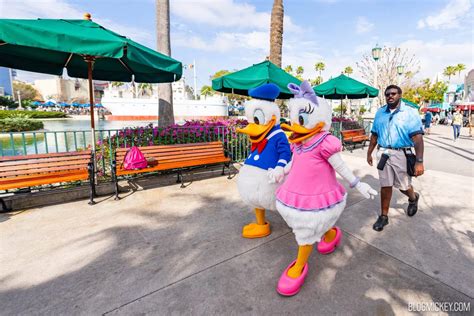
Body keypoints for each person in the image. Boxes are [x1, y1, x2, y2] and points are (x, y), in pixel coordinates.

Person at [367, 85, 424, 231]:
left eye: (393, 93)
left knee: (403, 186)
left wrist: (419, 162)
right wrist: (369, 152)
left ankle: (413, 198)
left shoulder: (410, 112)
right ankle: (384, 216)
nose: (390, 96)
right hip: (383, 153)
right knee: (385, 185)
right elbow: (374, 134)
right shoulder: (380, 113)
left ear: (400, 95)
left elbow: (417, 138)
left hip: (401, 154)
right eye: (387, 94)